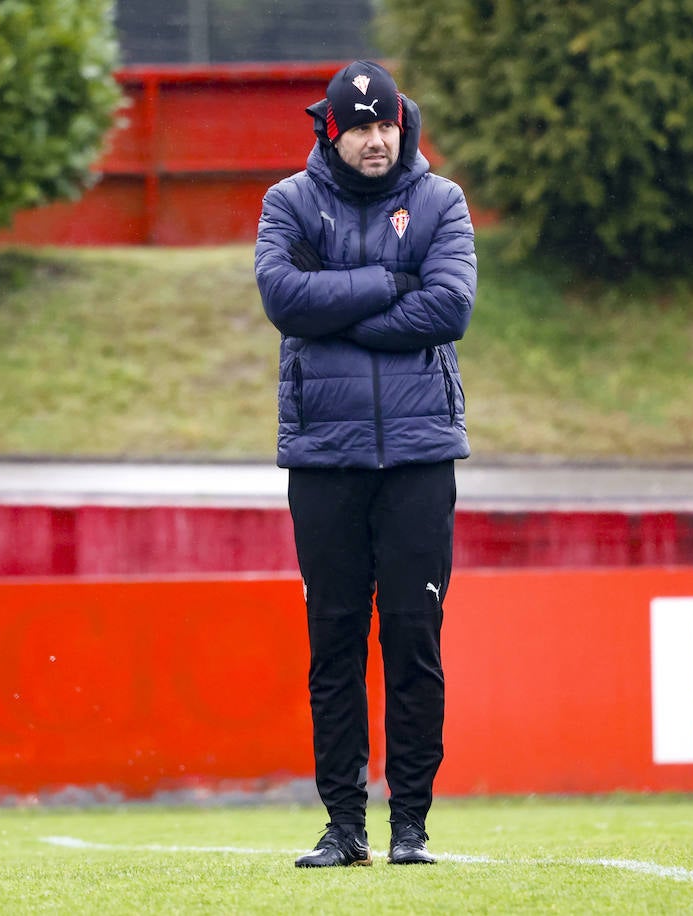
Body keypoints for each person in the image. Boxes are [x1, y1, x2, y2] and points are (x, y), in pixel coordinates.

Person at [254, 60, 477, 868]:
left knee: (414, 636)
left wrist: (337, 311)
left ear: (401, 123)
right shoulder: (289, 203)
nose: (376, 140)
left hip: (419, 455)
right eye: (359, 127)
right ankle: (343, 827)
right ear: (332, 131)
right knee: (336, 639)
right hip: (324, 457)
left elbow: (449, 305)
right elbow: (283, 299)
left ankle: (410, 826)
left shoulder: (441, 201)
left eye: (385, 124)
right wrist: (389, 281)